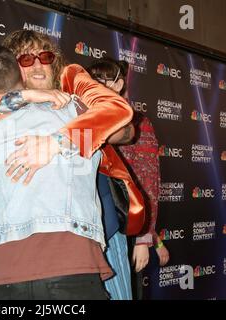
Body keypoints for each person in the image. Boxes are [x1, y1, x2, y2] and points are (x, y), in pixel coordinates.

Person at [0, 30, 145, 299]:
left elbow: (124, 125)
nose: (39, 64)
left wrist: (59, 140)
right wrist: (26, 98)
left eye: (45, 55)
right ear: (13, 66)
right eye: (27, 59)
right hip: (56, 250)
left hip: (101, 225)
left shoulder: (71, 86)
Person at [87, 57, 170, 299]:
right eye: (93, 80)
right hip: (91, 224)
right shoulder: (84, 120)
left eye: (103, 80)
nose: (96, 85)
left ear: (118, 84)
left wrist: (144, 239)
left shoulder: (137, 122)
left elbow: (149, 182)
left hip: (126, 225)